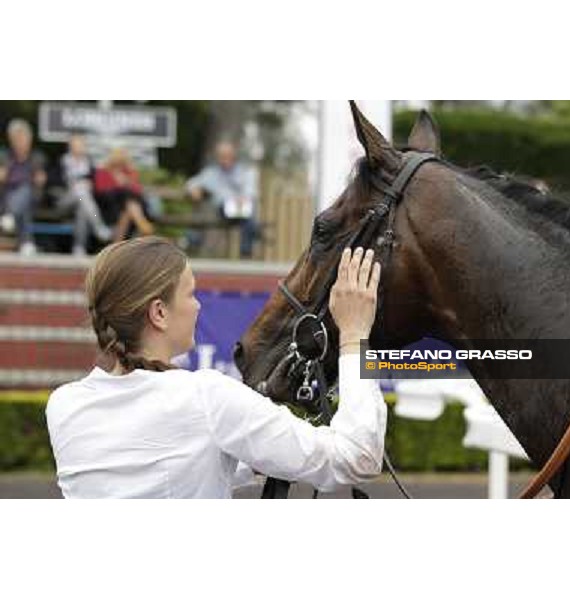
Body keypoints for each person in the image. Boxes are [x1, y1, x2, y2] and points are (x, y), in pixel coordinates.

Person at [45, 237, 385, 499]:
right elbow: (357, 456)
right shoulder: (205, 398)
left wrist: (261, 452)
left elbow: (171, 460)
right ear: (158, 313)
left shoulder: (64, 406)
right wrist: (355, 335)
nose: (198, 306)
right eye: (191, 293)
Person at [185, 141, 260, 258]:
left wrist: (244, 198)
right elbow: (191, 182)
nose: (224, 159)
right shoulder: (212, 173)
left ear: (233, 156)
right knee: (209, 210)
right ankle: (192, 246)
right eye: (221, 156)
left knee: (250, 217)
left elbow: (251, 192)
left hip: (242, 208)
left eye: (227, 156)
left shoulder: (244, 171)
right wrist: (194, 189)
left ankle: (246, 254)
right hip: (222, 211)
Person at [58, 135, 112, 256]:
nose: (78, 148)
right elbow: (53, 181)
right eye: (75, 145)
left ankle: (79, 247)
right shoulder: (62, 161)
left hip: (84, 201)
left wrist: (90, 184)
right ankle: (98, 227)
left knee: (82, 206)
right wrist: (74, 184)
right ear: (70, 147)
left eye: (80, 145)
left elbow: (96, 185)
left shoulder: (89, 163)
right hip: (64, 200)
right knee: (80, 190)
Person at [0, 119, 47, 255]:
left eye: (22, 138)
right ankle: (27, 242)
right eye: (16, 139)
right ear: (11, 140)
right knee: (21, 203)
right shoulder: (4, 156)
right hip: (7, 196)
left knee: (25, 189)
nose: (20, 142)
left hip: (31, 194)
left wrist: (40, 178)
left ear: (29, 139)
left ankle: (10, 215)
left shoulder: (37, 157)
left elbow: (40, 179)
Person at [94, 148, 154, 242]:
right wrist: (117, 184)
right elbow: (101, 192)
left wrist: (126, 181)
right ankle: (142, 224)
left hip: (128, 208)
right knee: (128, 204)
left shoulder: (129, 172)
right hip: (110, 208)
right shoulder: (103, 172)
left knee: (127, 211)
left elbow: (138, 191)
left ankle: (116, 245)